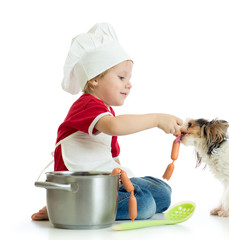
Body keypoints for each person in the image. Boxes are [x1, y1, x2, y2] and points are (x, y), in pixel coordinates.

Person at [31, 23, 183, 221]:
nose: (129, 84)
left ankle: (125, 202)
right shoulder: (87, 105)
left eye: (129, 78)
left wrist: (125, 183)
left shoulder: (106, 111)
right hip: (79, 192)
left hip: (105, 186)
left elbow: (113, 157)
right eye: (121, 77)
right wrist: (156, 119)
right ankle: (65, 208)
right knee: (144, 204)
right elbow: (115, 126)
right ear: (94, 79)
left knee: (162, 193)